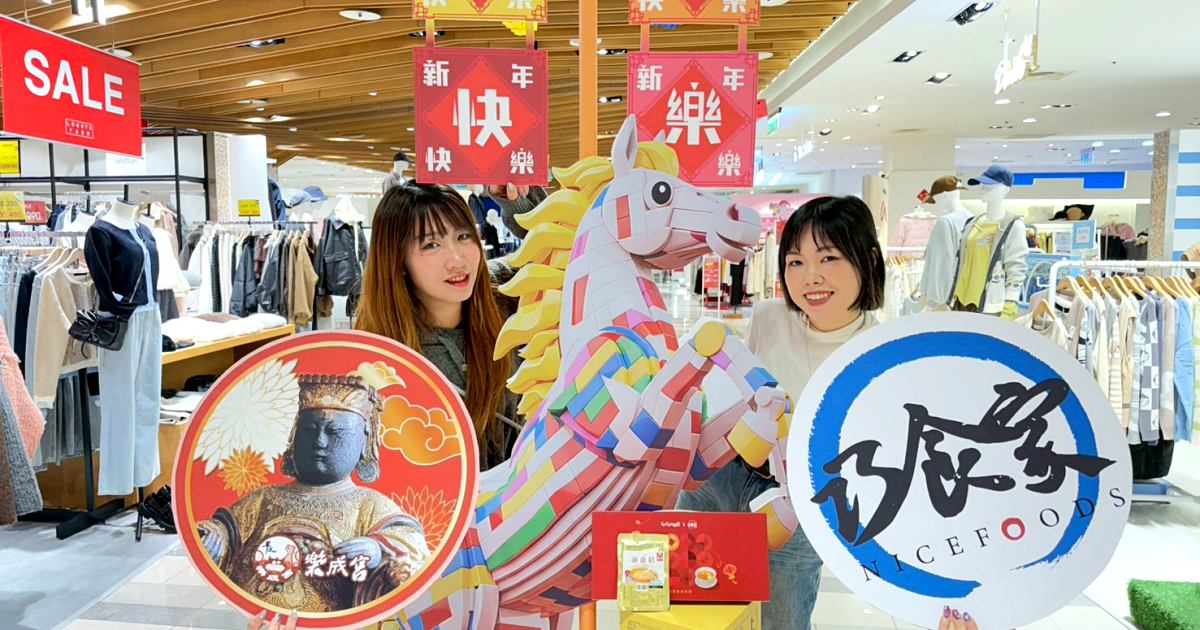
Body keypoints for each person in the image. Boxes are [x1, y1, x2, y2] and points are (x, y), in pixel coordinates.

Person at [676, 195, 885, 629]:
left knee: (782, 618)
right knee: (692, 605)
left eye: (828, 258)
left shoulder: (882, 354)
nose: (811, 277)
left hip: (801, 504)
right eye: (795, 262)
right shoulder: (770, 317)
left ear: (867, 260)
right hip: (721, 477)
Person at [200, 374, 430, 612]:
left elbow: (412, 548)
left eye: (335, 432)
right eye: (309, 431)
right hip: (254, 617)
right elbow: (225, 530)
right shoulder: (264, 498)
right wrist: (214, 536)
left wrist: (377, 551)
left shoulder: (369, 504)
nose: (319, 442)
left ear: (364, 443)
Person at [355, 182, 519, 471]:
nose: (457, 260)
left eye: (464, 236)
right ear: (398, 260)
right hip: (434, 499)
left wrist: (519, 202)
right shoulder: (377, 358)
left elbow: (567, 251)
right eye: (431, 245)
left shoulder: (505, 296)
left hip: (523, 493)